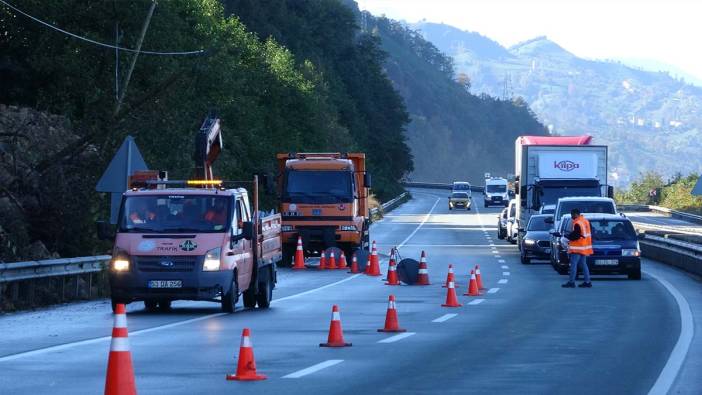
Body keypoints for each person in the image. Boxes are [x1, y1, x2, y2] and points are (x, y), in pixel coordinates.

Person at [562, 208, 593, 288]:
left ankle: (571, 282)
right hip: (583, 247)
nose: (571, 216)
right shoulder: (585, 221)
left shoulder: (577, 223)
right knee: (583, 264)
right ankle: (587, 281)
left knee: (573, 265)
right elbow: (582, 234)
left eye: (572, 215)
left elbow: (576, 235)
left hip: (577, 247)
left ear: (575, 214)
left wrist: (567, 236)